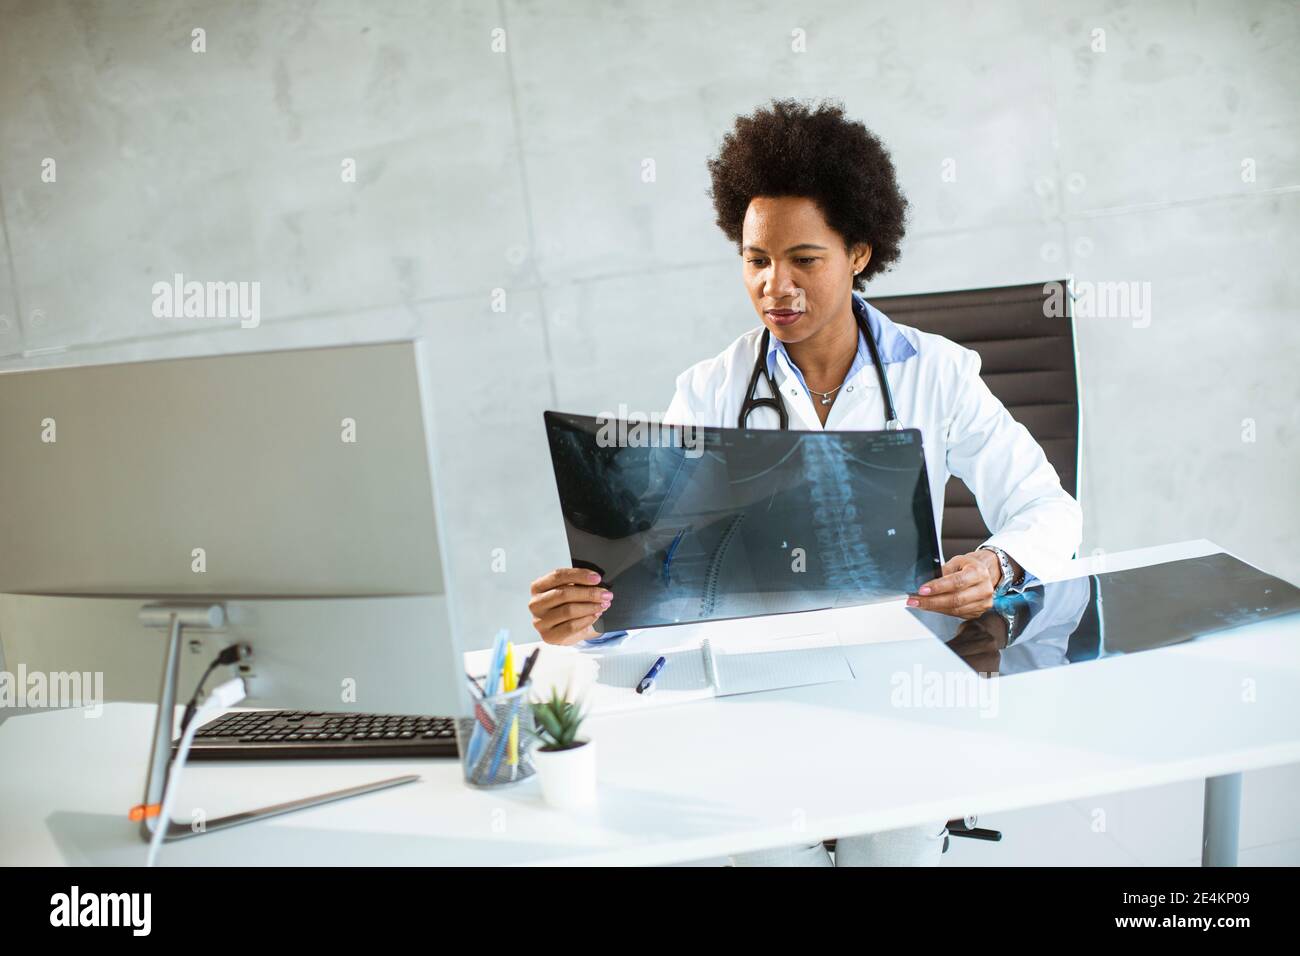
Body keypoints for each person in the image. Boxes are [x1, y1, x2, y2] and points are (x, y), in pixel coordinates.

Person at [528, 98, 1082, 865]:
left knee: (895, 843)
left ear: (858, 253)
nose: (774, 286)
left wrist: (995, 564)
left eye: (804, 260)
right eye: (756, 260)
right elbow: (655, 569)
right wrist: (585, 612)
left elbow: (1047, 510)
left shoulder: (940, 374)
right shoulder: (710, 391)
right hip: (755, 679)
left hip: (898, 667)